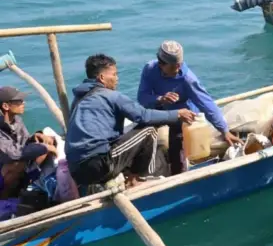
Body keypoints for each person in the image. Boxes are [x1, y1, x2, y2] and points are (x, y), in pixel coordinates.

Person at [65, 54, 196, 187]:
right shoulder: (110, 96)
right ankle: (144, 178)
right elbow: (143, 115)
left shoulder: (78, 101)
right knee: (149, 130)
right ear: (102, 78)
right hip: (99, 164)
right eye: (114, 74)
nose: (117, 79)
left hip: (76, 172)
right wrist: (176, 114)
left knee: (125, 137)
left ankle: (128, 175)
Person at [137, 40, 241, 175]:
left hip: (183, 114)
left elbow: (206, 103)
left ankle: (177, 172)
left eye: (178, 66)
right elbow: (142, 98)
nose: (178, 69)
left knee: (177, 145)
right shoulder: (149, 69)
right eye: (173, 67)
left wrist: (224, 130)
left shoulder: (188, 79)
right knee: (141, 132)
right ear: (161, 64)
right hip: (160, 108)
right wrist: (160, 98)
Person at [0, 87, 57, 198]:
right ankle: (4, 199)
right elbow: (14, 154)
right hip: (4, 169)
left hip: (18, 164)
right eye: (18, 101)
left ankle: (28, 185)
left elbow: (24, 142)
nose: (23, 103)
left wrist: (36, 136)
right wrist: (44, 147)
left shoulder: (17, 120)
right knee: (16, 166)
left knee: (47, 142)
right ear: (6, 106)